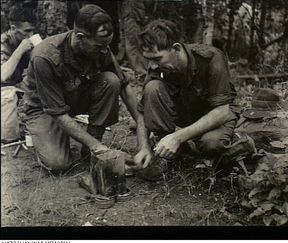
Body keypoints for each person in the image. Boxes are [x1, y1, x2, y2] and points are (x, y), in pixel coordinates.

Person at [22, 4, 150, 175]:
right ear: (80, 37)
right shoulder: (44, 57)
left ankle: (91, 143)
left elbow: (126, 90)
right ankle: (60, 141)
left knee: (111, 81)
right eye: (99, 47)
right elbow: (57, 112)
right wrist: (101, 149)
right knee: (58, 164)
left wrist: (143, 143)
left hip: (74, 96)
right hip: (45, 110)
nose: (105, 51)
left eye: (106, 45)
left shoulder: (99, 46)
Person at [133, 19, 242, 180]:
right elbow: (142, 111)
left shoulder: (211, 58)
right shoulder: (159, 67)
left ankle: (239, 140)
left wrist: (177, 137)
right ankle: (167, 153)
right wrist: (143, 147)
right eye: (149, 59)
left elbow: (221, 112)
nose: (153, 65)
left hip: (215, 115)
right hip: (185, 112)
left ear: (176, 48)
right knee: (152, 87)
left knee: (211, 144)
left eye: (157, 59)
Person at [1, 6, 36, 143]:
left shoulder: (21, 41)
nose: (30, 35)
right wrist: (20, 50)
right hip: (4, 91)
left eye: (33, 31)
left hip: (15, 88)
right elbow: (2, 76)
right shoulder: (3, 45)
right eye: (27, 31)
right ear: (13, 29)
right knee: (8, 137)